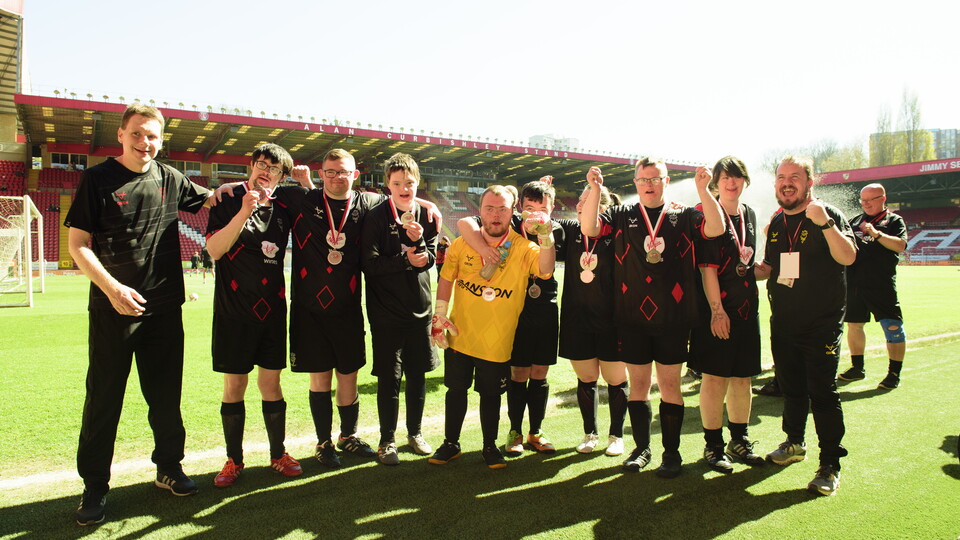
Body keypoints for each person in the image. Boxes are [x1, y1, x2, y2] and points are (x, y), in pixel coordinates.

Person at [65, 104, 215, 526]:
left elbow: (215, 198)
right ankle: (94, 485)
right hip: (114, 310)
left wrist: (258, 181)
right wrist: (112, 289)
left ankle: (169, 468)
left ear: (161, 139)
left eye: (152, 135)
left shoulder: (171, 178)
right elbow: (78, 244)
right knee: (104, 398)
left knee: (166, 396)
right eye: (137, 133)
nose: (144, 142)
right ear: (122, 134)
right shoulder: (97, 179)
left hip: (165, 310)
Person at [280, 149, 440, 468]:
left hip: (348, 307)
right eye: (330, 172)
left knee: (349, 376)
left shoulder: (368, 203)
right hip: (309, 307)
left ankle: (348, 436)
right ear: (322, 173)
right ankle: (324, 441)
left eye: (344, 172)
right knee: (320, 379)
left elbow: (402, 201)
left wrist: (427, 204)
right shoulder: (302, 200)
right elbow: (262, 189)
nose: (337, 177)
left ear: (355, 175)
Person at [581, 158, 725, 478]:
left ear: (666, 180)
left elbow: (716, 229)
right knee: (639, 386)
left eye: (655, 179)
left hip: (673, 317)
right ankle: (641, 448)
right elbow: (589, 228)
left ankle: (671, 454)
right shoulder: (622, 214)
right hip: (632, 316)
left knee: (670, 386)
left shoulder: (684, 214)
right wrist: (594, 189)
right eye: (643, 179)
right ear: (635, 183)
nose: (649, 184)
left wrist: (703, 190)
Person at [429, 185, 555, 469]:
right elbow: (447, 278)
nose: (496, 215)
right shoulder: (462, 244)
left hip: (497, 342)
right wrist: (439, 313)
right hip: (460, 335)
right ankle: (451, 444)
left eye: (502, 209)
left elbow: (546, 269)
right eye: (489, 208)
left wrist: (546, 237)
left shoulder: (524, 248)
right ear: (479, 211)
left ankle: (489, 447)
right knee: (455, 391)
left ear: (513, 212)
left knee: (490, 396)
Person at [755, 155, 857, 497]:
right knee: (791, 388)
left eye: (794, 177)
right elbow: (774, 268)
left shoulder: (826, 214)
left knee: (823, 393)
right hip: (783, 322)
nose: (787, 182)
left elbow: (849, 257)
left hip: (821, 325)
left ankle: (830, 464)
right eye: (781, 177)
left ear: (809, 182)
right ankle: (794, 443)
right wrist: (744, 268)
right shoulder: (777, 221)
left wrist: (826, 224)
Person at [205, 144, 302, 488]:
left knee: (271, 384)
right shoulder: (227, 200)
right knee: (235, 385)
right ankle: (234, 460)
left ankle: (278, 454)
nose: (265, 171)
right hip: (233, 311)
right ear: (251, 165)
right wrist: (243, 212)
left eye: (273, 169)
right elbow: (215, 250)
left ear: (281, 176)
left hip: (273, 310)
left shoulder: (286, 205)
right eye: (261, 164)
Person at [458, 179, 563, 458]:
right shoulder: (509, 222)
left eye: (543, 209)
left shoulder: (556, 230)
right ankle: (515, 431)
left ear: (552, 209)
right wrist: (482, 249)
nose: (536, 215)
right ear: (519, 208)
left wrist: (546, 233)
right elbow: (466, 223)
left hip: (545, 310)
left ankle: (536, 431)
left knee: (540, 373)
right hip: (514, 311)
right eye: (529, 208)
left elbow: (548, 265)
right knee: (518, 373)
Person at [359, 153, 439, 465]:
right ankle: (387, 439)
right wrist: (406, 259)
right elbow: (369, 263)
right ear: (387, 184)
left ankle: (415, 433)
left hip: (419, 308)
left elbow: (432, 256)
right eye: (397, 183)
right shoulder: (377, 216)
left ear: (418, 182)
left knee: (418, 374)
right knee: (390, 377)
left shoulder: (427, 213)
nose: (404, 188)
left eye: (409, 182)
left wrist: (421, 250)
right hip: (385, 312)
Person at [691, 157, 765, 473]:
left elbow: (745, 264)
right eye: (724, 178)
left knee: (742, 378)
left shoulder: (749, 214)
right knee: (715, 378)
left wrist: (768, 271)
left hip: (748, 309)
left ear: (745, 181)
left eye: (736, 178)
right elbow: (707, 269)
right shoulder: (707, 212)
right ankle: (713, 445)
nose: (731, 183)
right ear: (716, 183)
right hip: (716, 311)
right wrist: (717, 311)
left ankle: (740, 439)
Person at [558, 173, 627, 456]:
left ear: (602, 206)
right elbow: (536, 222)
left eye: (587, 200)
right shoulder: (570, 230)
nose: (579, 205)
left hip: (613, 321)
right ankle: (590, 433)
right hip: (578, 320)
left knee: (615, 380)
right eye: (579, 200)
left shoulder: (618, 232)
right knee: (586, 380)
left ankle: (617, 436)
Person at [837, 183, 908, 389]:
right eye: (863, 200)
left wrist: (876, 233)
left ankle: (894, 373)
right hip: (854, 283)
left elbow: (900, 246)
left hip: (881, 284)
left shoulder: (894, 220)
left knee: (892, 326)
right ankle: (857, 368)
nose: (866, 203)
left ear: (883, 198)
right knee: (854, 325)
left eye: (871, 199)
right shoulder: (855, 221)